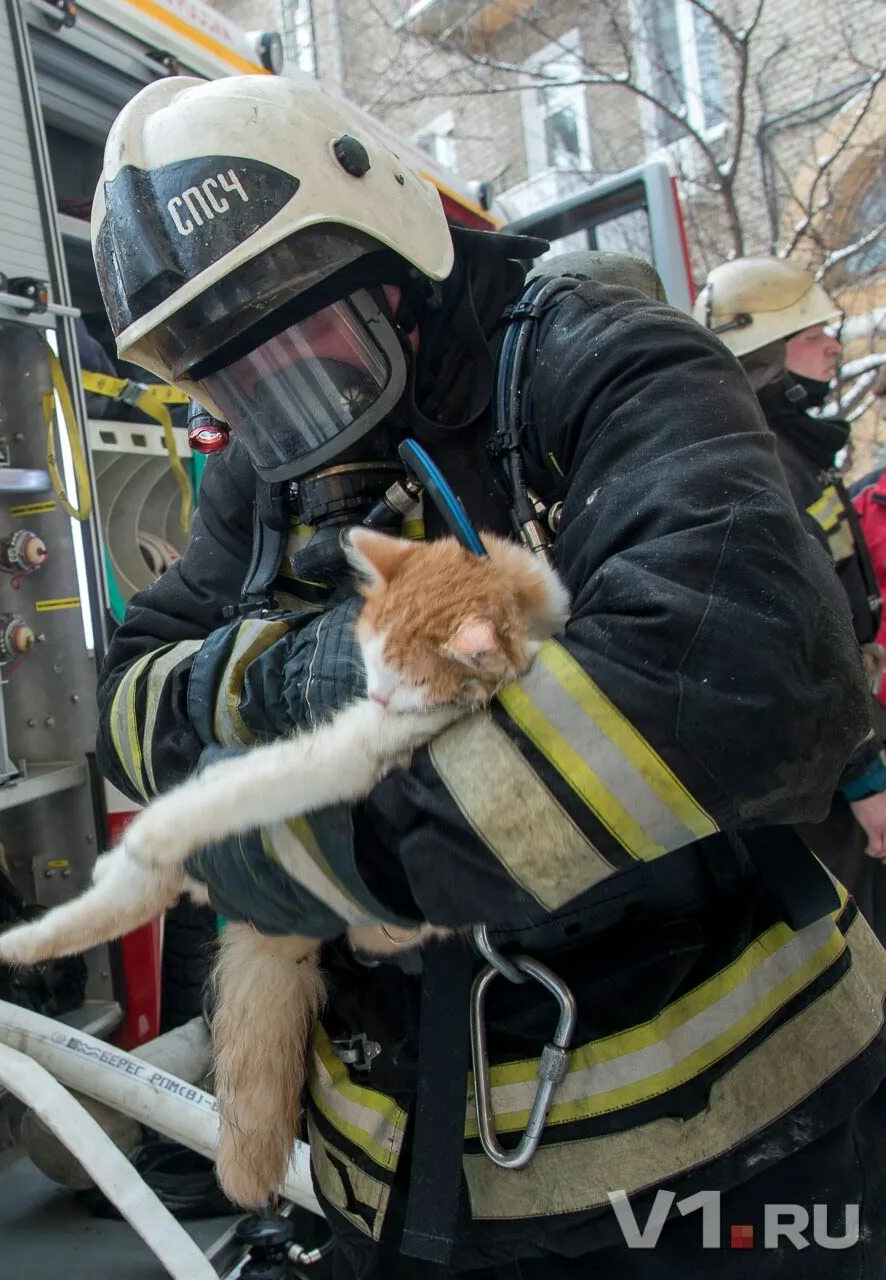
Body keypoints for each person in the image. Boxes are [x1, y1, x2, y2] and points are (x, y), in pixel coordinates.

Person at [91, 75, 886, 1276]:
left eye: (305, 327)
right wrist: (288, 681)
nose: (283, 393)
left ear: (394, 252)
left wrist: (316, 853)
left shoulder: (600, 360)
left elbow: (743, 677)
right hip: (406, 1180)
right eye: (231, 370)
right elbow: (126, 691)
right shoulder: (268, 472)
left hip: (731, 1153)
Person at [694, 258, 886, 912]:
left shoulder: (788, 450)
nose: (834, 345)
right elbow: (802, 625)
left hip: (840, 745)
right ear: (767, 355)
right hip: (827, 768)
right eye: (813, 333)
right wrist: (865, 774)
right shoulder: (765, 462)